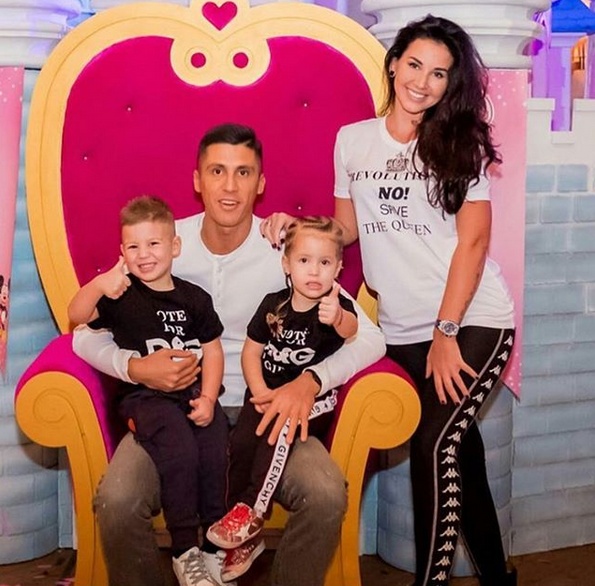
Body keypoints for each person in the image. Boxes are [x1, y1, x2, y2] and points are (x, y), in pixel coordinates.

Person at [261, 15, 517, 586]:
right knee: (461, 457)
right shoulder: (353, 141)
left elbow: (474, 243)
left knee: (433, 446)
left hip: (472, 322)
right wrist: (294, 227)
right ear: (394, 63)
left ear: (451, 85)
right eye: (415, 65)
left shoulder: (460, 146)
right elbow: (345, 230)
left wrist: (447, 332)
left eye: (439, 74)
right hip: (402, 330)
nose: (423, 82)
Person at [72, 123, 386, 586]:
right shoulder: (160, 245)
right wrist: (134, 367)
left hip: (268, 414)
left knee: (324, 494)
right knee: (117, 500)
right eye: (217, 171)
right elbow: (82, 333)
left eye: (244, 173)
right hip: (176, 411)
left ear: (261, 184)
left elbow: (370, 338)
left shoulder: (287, 250)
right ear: (197, 180)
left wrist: (311, 381)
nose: (230, 186)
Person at [68, 196, 227, 586]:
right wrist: (99, 284)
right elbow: (76, 316)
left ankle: (213, 545)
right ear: (122, 252)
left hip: (192, 393)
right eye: (133, 246)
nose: (144, 254)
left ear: (175, 246)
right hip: (146, 399)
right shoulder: (120, 297)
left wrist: (209, 398)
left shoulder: (194, 298)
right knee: (179, 447)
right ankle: (184, 549)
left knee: (214, 444)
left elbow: (212, 349)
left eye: (154, 243)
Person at [206, 216, 358, 581]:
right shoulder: (274, 305)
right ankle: (244, 536)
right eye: (304, 260)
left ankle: (253, 513)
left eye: (325, 262)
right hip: (266, 395)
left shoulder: (333, 308)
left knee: (279, 430)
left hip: (311, 404)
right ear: (286, 264)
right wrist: (258, 392)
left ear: (338, 268)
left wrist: (338, 317)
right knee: (242, 445)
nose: (314, 271)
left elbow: (352, 330)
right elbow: (251, 351)